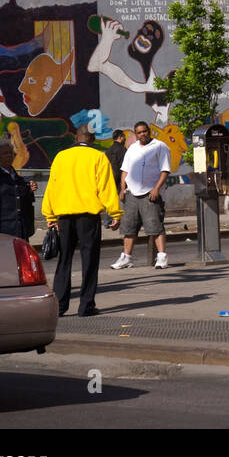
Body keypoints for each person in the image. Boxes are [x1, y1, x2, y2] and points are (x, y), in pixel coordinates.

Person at [43, 126, 120, 317]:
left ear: (76, 137)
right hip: (88, 217)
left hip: (64, 216)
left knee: (64, 260)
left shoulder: (61, 157)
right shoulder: (98, 157)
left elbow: (52, 186)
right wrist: (115, 213)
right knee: (90, 260)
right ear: (92, 139)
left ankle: (60, 306)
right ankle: (86, 306)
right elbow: (106, 188)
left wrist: (50, 215)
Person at [110, 121, 172, 270]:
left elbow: (165, 170)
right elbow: (125, 170)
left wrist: (156, 189)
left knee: (155, 226)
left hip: (150, 193)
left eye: (144, 131)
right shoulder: (132, 148)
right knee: (129, 228)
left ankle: (162, 257)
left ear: (149, 131)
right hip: (132, 194)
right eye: (139, 132)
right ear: (135, 134)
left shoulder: (160, 146)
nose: (142, 134)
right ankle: (126, 258)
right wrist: (122, 188)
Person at [101, 129, 127, 229]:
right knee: (126, 199)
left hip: (109, 178)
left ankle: (108, 221)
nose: (125, 138)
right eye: (123, 136)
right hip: (120, 178)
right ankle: (128, 220)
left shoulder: (109, 150)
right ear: (120, 137)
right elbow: (125, 166)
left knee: (111, 200)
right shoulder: (123, 149)